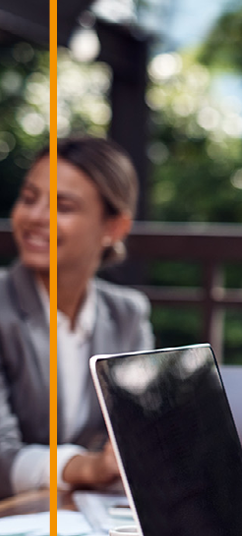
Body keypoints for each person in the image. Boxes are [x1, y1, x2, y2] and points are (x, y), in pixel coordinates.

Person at [0, 136, 152, 498]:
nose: (35, 217)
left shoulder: (127, 314)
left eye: (62, 207)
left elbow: (135, 440)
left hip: (77, 523)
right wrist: (90, 467)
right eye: (29, 198)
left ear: (113, 228)